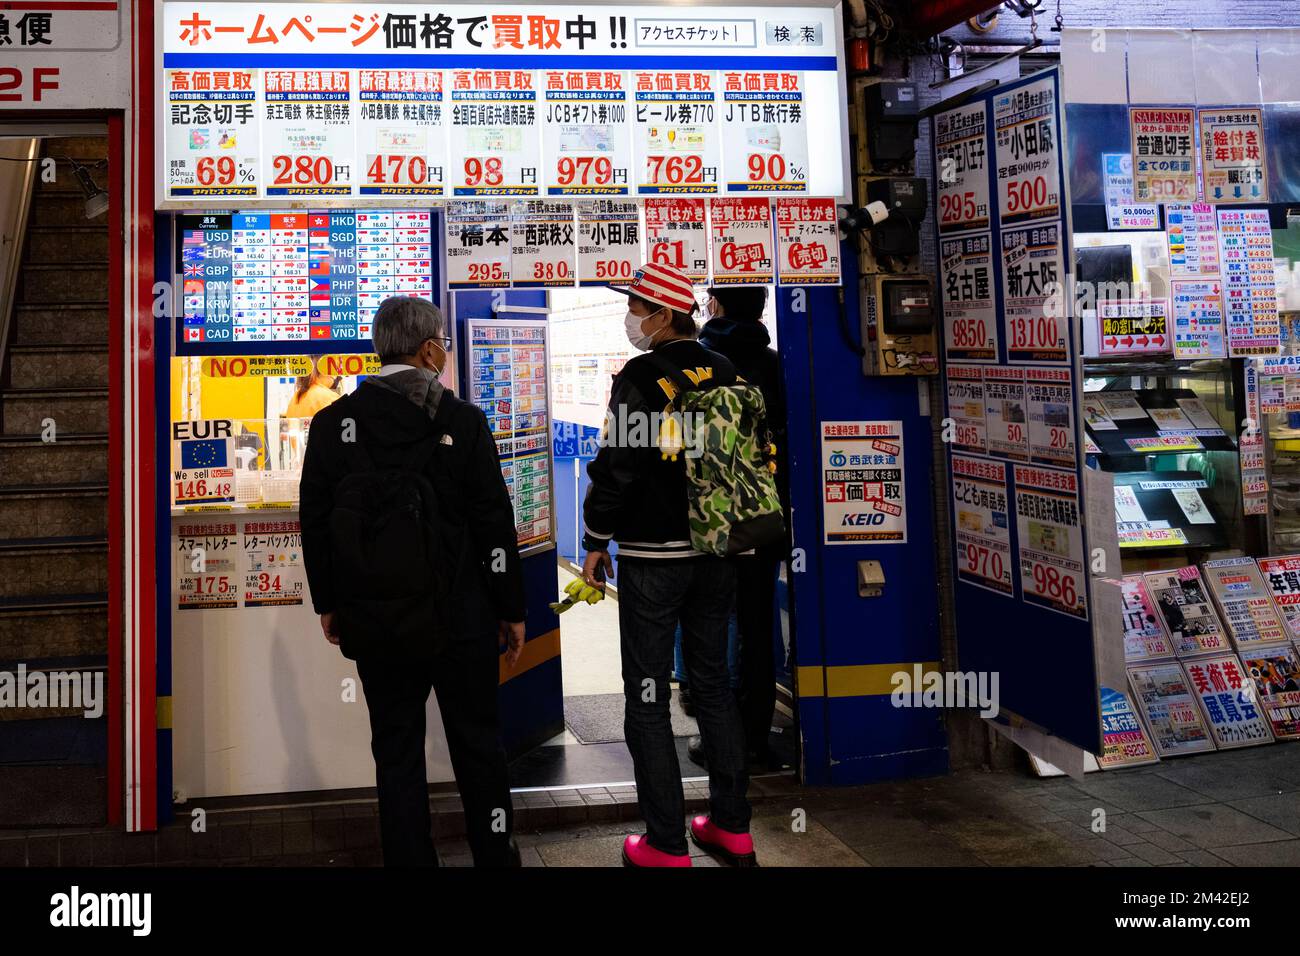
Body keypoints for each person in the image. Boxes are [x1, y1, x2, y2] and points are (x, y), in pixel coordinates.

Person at [300, 296, 526, 867]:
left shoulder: (333, 425)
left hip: (376, 620)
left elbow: (317, 523)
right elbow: (493, 523)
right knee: (478, 747)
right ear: (428, 349)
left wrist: (329, 602)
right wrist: (510, 608)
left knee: (396, 752)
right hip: (462, 621)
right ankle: (495, 860)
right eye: (443, 344)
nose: (445, 353)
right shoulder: (463, 421)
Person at [581, 262, 756, 867]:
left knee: (649, 697)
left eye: (635, 306)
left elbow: (618, 464)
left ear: (662, 313)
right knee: (713, 687)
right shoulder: (725, 368)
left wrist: (595, 536)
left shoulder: (643, 375)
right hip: (717, 551)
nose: (631, 316)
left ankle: (664, 843)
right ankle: (732, 828)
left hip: (655, 556)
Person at [687, 285, 789, 770]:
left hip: (708, 521)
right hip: (763, 520)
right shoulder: (775, 363)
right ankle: (753, 739)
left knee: (713, 626)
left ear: (716, 306)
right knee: (757, 624)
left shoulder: (701, 363)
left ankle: (719, 742)